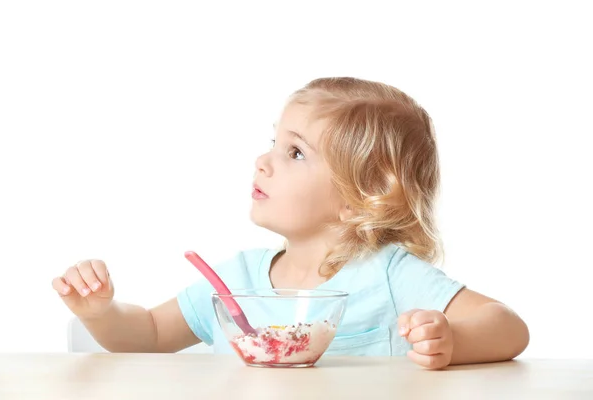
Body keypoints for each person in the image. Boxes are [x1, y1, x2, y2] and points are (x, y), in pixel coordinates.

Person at [51, 77, 529, 369]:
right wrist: (101, 313)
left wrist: (452, 339)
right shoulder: (235, 279)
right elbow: (150, 337)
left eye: (295, 152)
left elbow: (509, 327)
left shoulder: (387, 273)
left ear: (359, 198)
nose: (263, 160)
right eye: (274, 142)